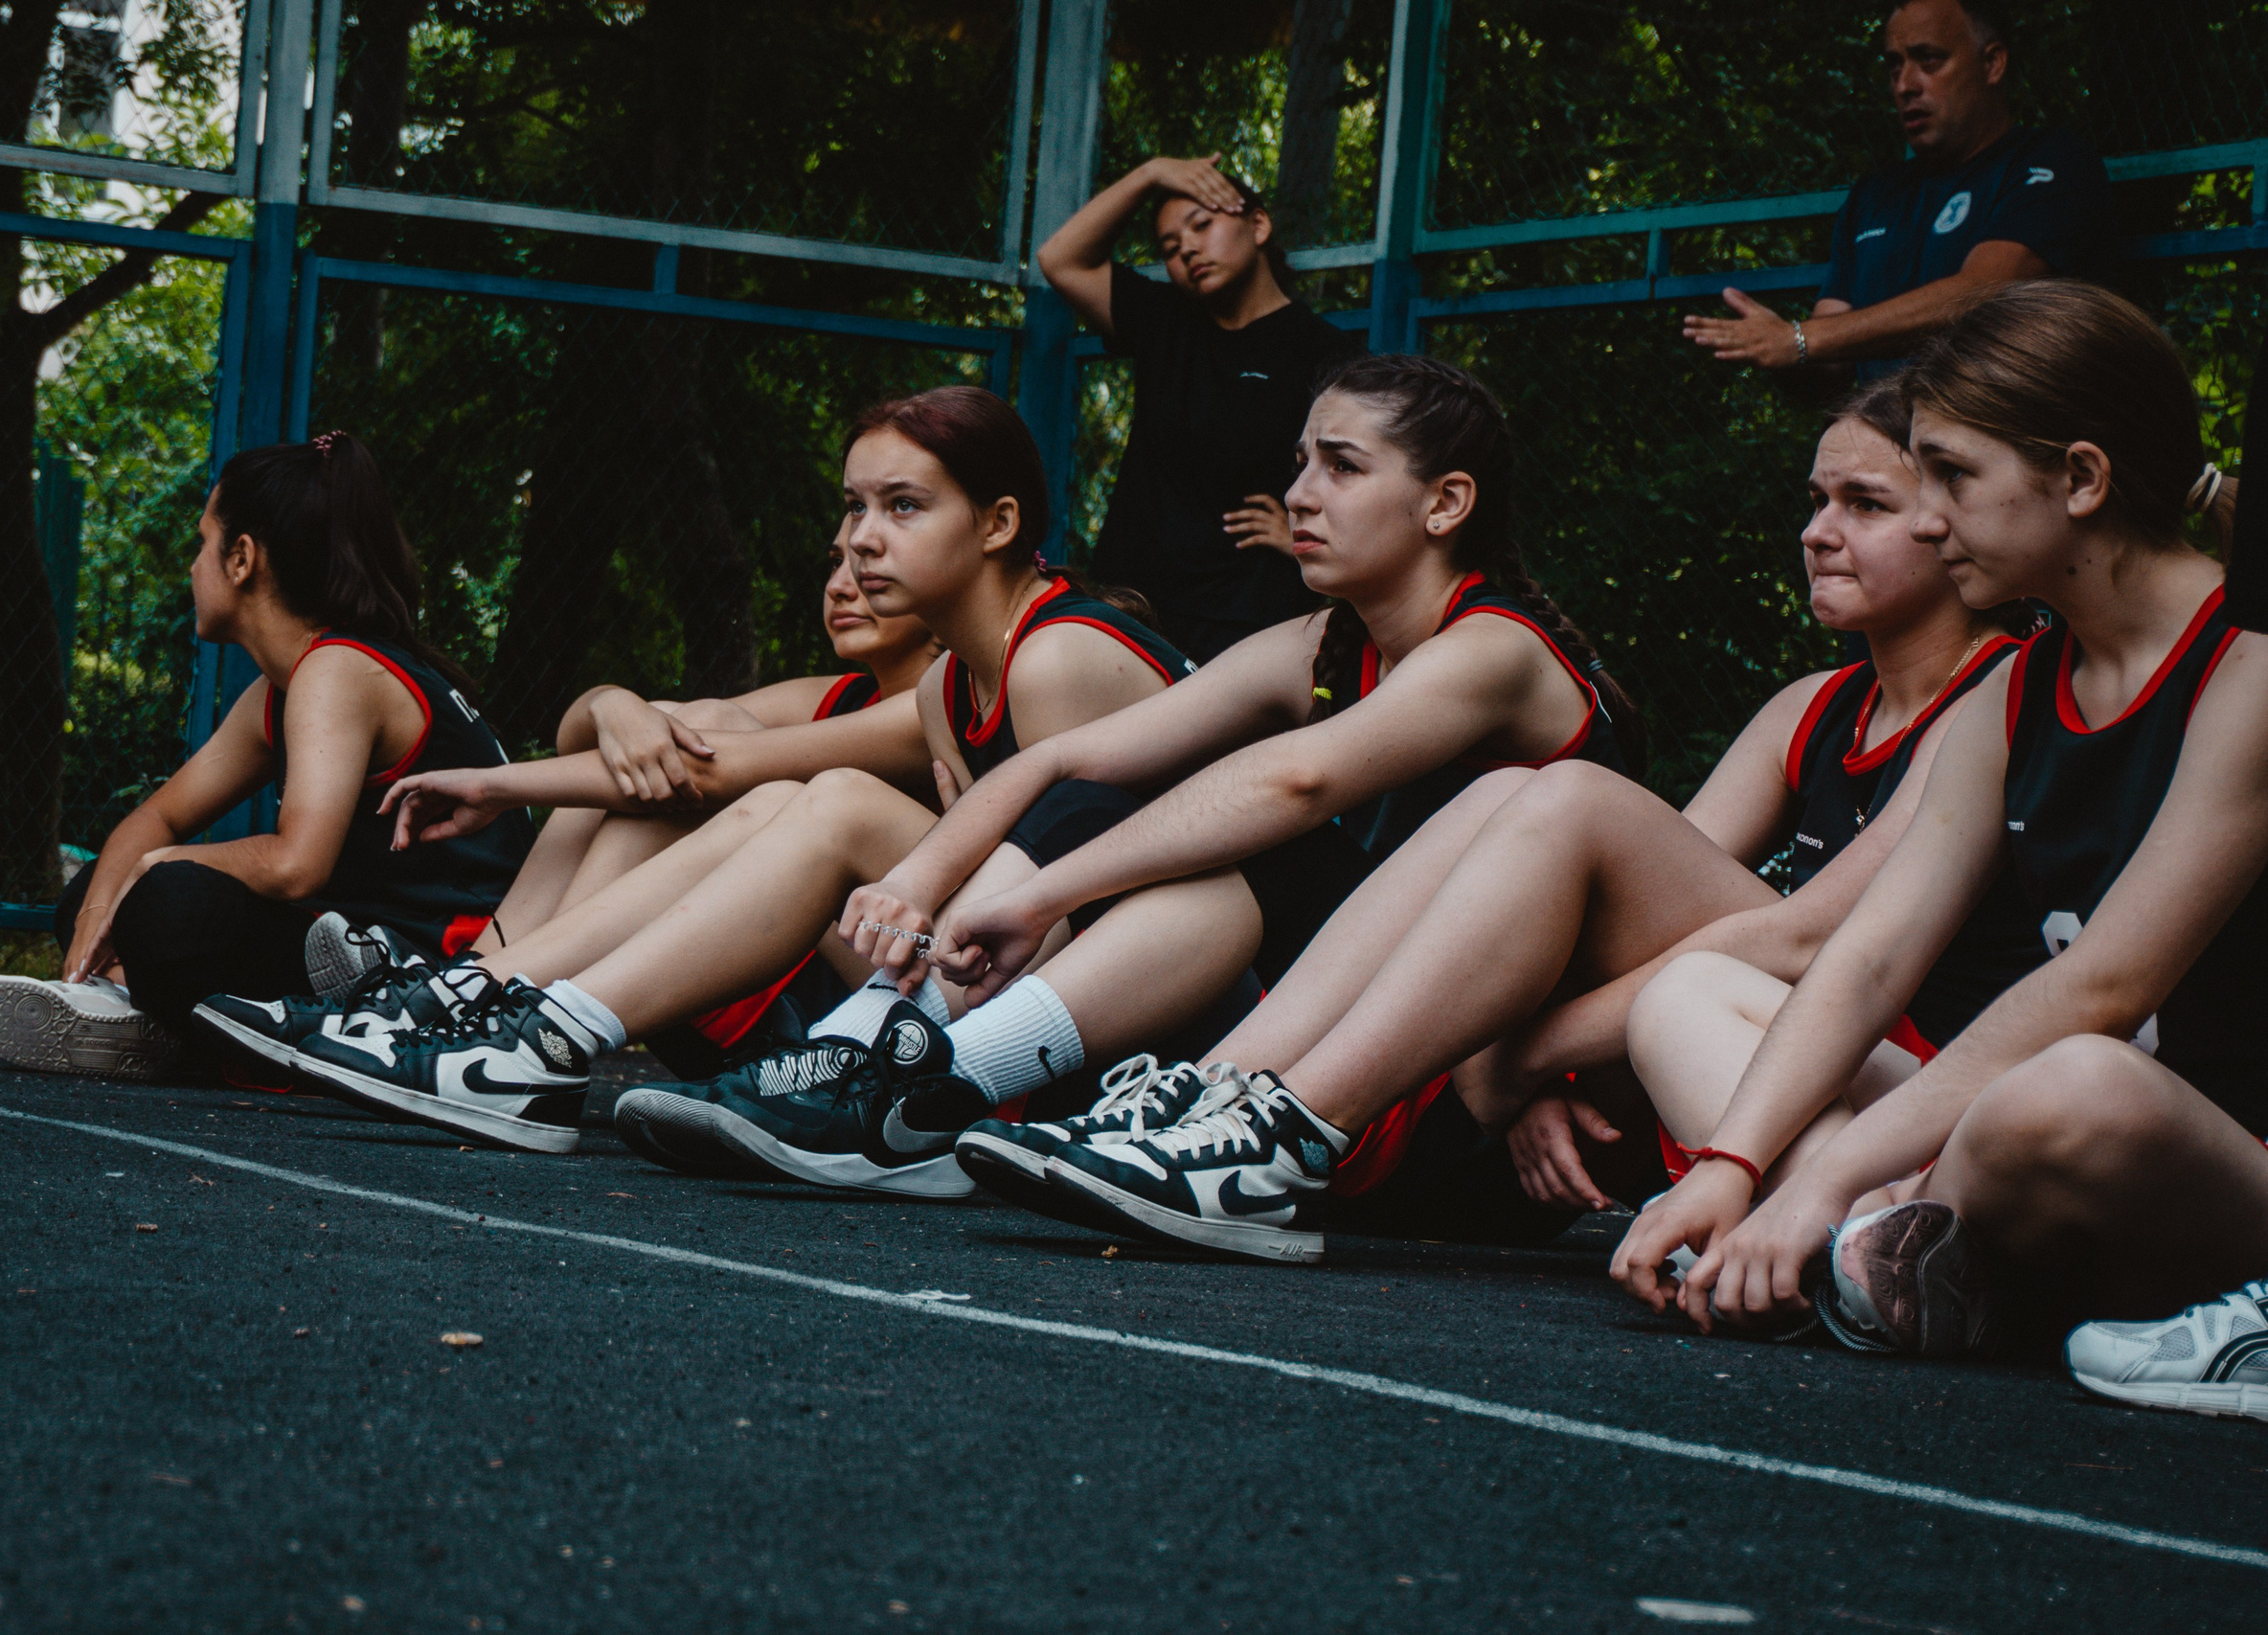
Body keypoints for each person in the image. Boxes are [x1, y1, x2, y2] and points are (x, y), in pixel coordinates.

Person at [942, 378, 2030, 1262]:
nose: (1816, 532)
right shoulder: (1809, 708)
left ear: (1951, 519)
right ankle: (1229, 1101)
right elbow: (1636, 906)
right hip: (1718, 1040)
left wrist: (1524, 1055)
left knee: (1554, 797)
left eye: (1864, 505)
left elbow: (1814, 942)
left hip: (1906, 1075)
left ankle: (1272, 1126)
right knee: (1516, 797)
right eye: (1816, 500)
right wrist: (1532, 1065)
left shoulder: (1995, 699)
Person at [621, 353, 1641, 1205]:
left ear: (1445, 503)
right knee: (1130, 790)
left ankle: (915, 1083)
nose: (1298, 493)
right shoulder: (1322, 644)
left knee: (1232, 820)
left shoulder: (1493, 649)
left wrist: (1044, 895)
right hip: (1345, 1042)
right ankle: (887, 1062)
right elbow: (1065, 761)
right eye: (1300, 462)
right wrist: (922, 881)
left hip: (1485, 1104)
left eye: (1340, 466)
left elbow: (1295, 782)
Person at [215, 386, 1191, 1159]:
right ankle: (500, 1016)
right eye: (853, 507)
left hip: (1128, 1028)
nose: (860, 539)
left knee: (831, 803)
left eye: (903, 506)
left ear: (998, 523)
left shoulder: (1058, 657)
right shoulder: (952, 686)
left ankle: (499, 1014)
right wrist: (518, 771)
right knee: (775, 792)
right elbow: (708, 759)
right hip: (971, 984)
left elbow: (1073, 913)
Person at [1617, 283, 2267, 1420]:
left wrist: (1821, 1177)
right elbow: (1869, 958)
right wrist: (1731, 1163)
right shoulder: (2013, 693)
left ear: (2080, 479)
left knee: (2070, 1083)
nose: (1927, 522)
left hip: (2194, 1163)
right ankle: (1879, 1256)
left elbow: (2106, 985)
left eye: (1952, 478)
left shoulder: (2246, 665)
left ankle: (1864, 1246)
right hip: (2017, 1153)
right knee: (1687, 995)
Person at [196, 528, 945, 1094]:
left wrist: (497, 786)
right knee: (661, 749)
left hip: (889, 1004)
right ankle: (478, 987)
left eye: (888, 531)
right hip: (768, 986)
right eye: (836, 560)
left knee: (697, 768)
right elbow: (624, 737)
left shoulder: (932, 702)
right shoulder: (832, 697)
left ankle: (480, 997)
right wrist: (614, 704)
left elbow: (701, 767)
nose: (843, 583)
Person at [0, 432, 531, 1079]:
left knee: (165, 902)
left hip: (445, 970)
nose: (192, 566)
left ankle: (157, 1014)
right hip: (350, 941)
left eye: (202, 543)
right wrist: (94, 925)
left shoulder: (338, 669)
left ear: (241, 559)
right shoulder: (285, 686)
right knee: (95, 890)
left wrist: (154, 870)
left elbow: (295, 866)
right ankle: (131, 1007)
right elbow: (158, 817)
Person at [1685, 0, 2112, 387]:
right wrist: (1757, 345)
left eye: (1929, 60)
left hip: (1999, 428)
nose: (1905, 84)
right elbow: (1828, 361)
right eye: (1894, 66)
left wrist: (1799, 339)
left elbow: (1985, 292)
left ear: (1992, 63)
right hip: (1881, 433)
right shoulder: (1873, 197)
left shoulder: (2051, 160)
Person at [1039, 153, 1364, 660]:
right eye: (1170, 247)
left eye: (1202, 224)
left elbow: (1358, 476)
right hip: (1133, 603)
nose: (1187, 247)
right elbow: (1060, 259)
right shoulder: (1163, 321)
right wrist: (1150, 173)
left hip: (1246, 615)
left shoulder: (1328, 355)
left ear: (1258, 225)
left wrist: (1303, 535)